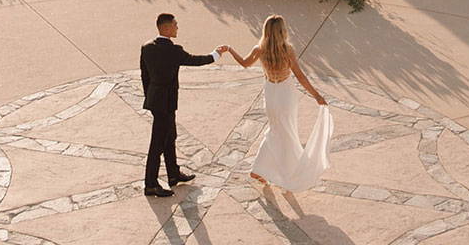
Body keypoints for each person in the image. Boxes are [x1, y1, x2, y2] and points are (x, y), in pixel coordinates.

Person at [224, 14, 333, 193]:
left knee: (276, 130)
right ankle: (285, 172)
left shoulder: (259, 49)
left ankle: (261, 168)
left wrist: (230, 49)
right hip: (285, 94)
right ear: (282, 31)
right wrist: (316, 95)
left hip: (271, 93)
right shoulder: (287, 49)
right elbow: (300, 76)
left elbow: (244, 63)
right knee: (286, 132)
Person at [140, 12, 229, 197]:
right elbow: (196, 60)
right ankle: (150, 184)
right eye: (174, 25)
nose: (177, 27)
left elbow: (145, 76)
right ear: (165, 28)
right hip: (167, 102)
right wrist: (216, 54)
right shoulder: (173, 51)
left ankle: (173, 174)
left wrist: (150, 98)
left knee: (169, 136)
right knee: (157, 144)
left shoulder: (147, 48)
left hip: (156, 101)